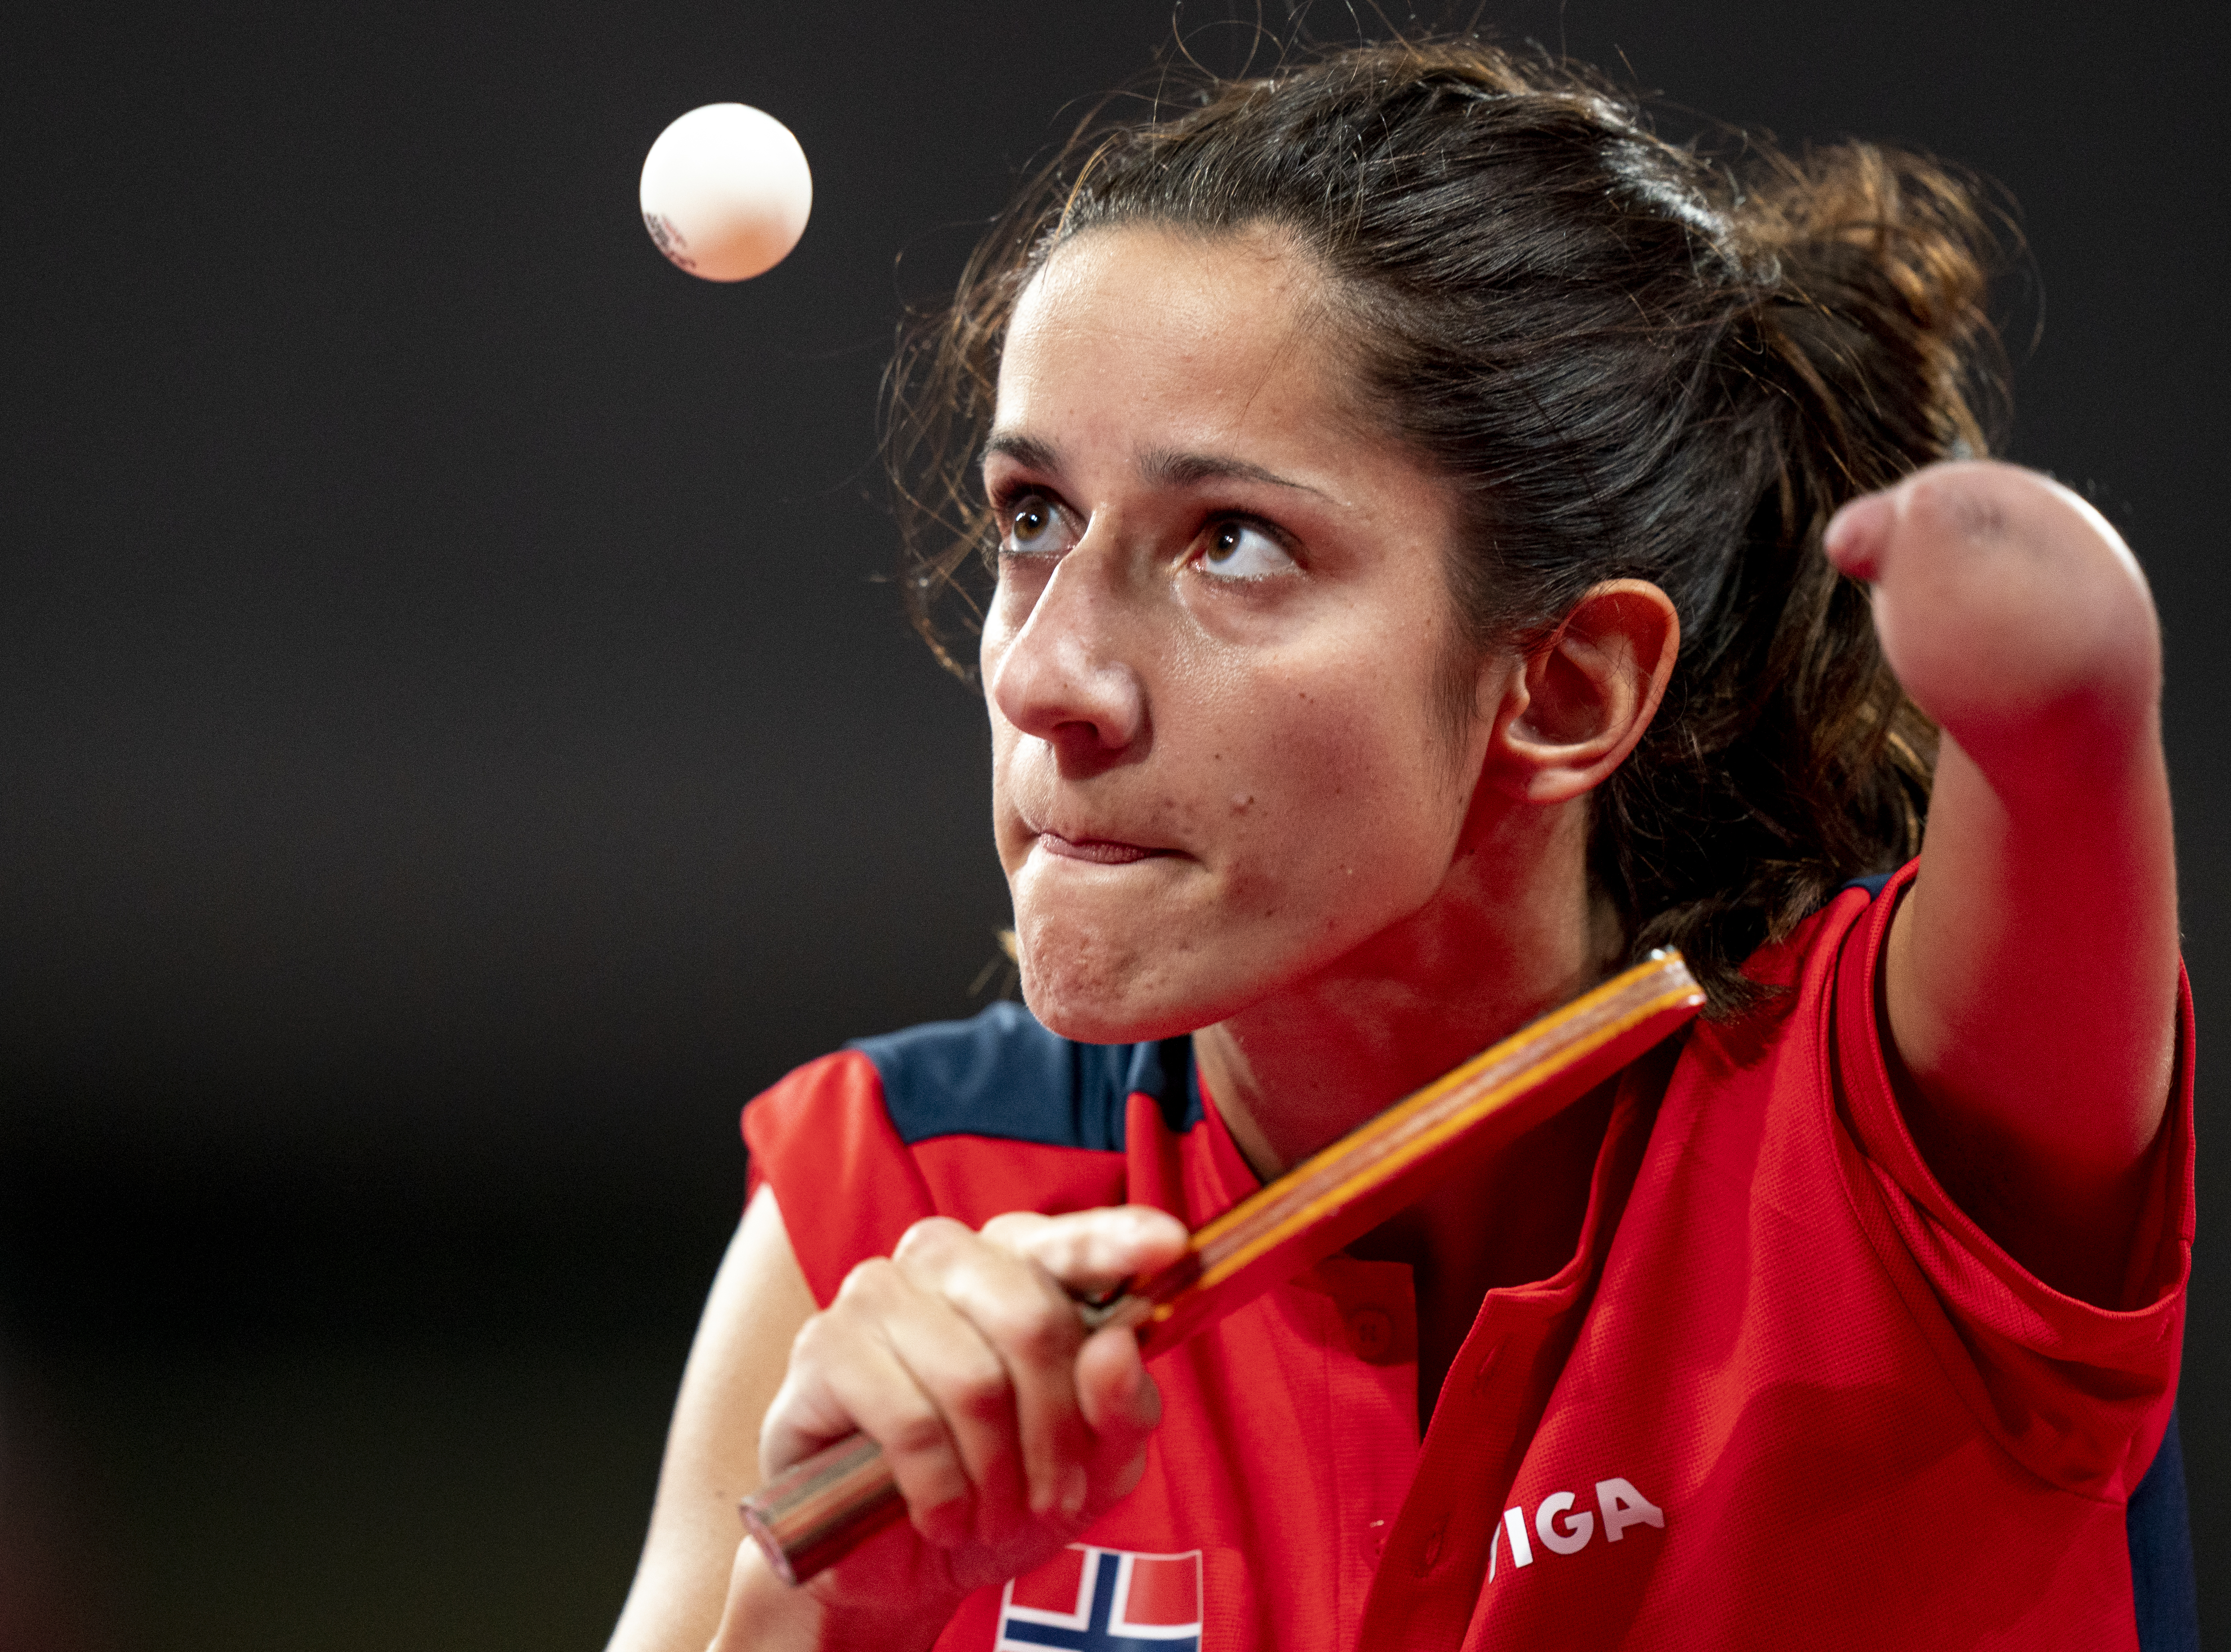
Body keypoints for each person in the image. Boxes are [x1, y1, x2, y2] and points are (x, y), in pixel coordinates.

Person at [608, 38, 2193, 1652]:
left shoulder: (1893, 1138)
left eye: (1231, 543)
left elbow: (2061, 786)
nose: (1038, 676)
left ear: (1563, 688)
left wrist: (2054, 684)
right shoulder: (888, 1199)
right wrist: (823, 1611)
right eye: (1034, 518)